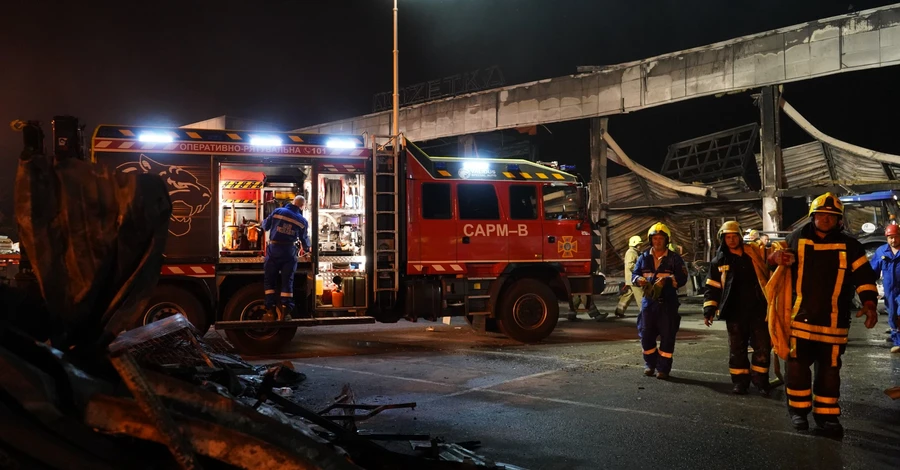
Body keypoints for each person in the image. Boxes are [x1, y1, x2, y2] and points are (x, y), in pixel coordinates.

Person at [769, 192, 878, 435]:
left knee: (829, 372)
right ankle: (798, 413)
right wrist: (774, 258)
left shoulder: (851, 246)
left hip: (834, 323)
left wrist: (869, 304)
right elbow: (773, 263)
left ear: (839, 220)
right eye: (821, 215)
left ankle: (827, 416)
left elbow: (864, 278)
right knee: (796, 369)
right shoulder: (797, 239)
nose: (825, 219)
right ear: (812, 216)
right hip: (800, 319)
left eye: (831, 216)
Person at [703, 221, 772, 395]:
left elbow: (770, 262)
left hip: (758, 309)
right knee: (737, 349)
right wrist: (709, 310)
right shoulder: (719, 260)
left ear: (740, 237)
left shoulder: (754, 253)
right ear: (722, 239)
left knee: (762, 348)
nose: (731, 240)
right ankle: (740, 382)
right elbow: (712, 287)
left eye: (734, 236)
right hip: (734, 311)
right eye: (728, 237)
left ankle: (761, 381)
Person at [632, 222, 688, 380]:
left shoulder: (674, 259)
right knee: (646, 335)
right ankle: (650, 364)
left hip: (668, 304)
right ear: (650, 240)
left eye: (660, 239)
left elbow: (682, 278)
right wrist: (639, 279)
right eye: (655, 238)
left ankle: (663, 369)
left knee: (667, 336)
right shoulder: (643, 257)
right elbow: (634, 274)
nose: (657, 241)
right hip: (649, 303)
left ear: (666, 240)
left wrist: (668, 281)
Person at [262, 195, 311, 321]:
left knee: (270, 281)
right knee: (287, 282)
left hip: (273, 250)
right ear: (302, 206)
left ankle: (270, 311)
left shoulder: (278, 212)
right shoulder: (302, 221)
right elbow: (305, 240)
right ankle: (285, 312)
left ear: (292, 202)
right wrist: (308, 250)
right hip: (289, 252)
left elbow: (265, 226)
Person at [870, 224, 900, 354]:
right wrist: (871, 289)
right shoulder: (881, 251)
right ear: (887, 238)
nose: (893, 240)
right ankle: (897, 341)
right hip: (890, 291)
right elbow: (873, 271)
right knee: (892, 315)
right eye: (891, 238)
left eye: (896, 237)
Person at [613, 236, 643, 318]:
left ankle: (619, 311)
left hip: (631, 278)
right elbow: (630, 265)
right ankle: (645, 312)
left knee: (628, 294)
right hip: (634, 279)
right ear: (635, 244)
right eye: (639, 244)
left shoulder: (634, 252)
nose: (640, 246)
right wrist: (640, 268)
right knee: (641, 295)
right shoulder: (631, 252)